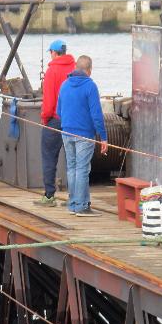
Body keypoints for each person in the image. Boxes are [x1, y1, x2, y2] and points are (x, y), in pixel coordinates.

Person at [57, 55, 108, 216]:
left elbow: (58, 111)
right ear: (89, 70)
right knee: (82, 169)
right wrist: (103, 137)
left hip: (66, 132)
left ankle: (73, 204)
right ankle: (81, 206)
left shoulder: (64, 85)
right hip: (84, 134)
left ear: (75, 68)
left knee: (72, 168)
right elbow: (97, 115)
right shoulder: (90, 86)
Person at [35, 39, 76, 207]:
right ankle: (74, 197)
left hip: (55, 120)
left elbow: (49, 101)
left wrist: (45, 118)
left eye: (50, 52)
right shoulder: (75, 68)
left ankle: (49, 196)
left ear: (53, 52)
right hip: (73, 121)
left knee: (49, 158)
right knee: (73, 160)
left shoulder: (52, 71)